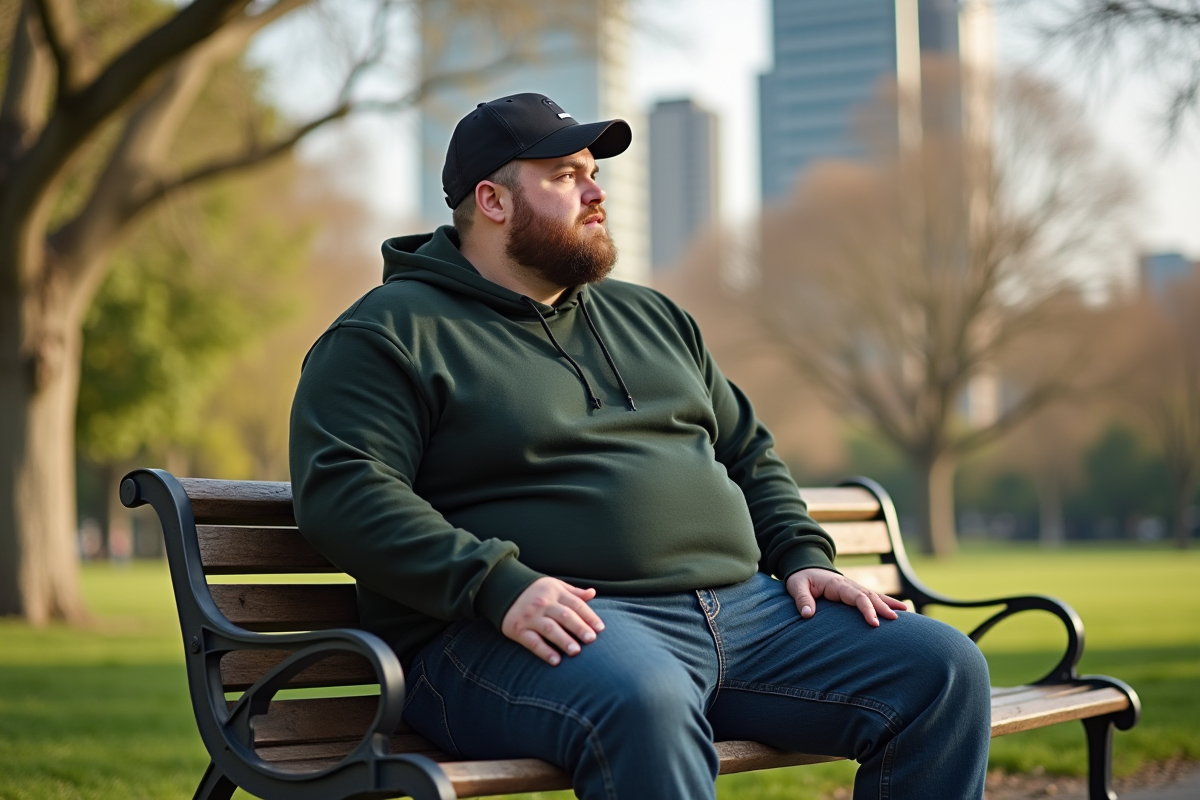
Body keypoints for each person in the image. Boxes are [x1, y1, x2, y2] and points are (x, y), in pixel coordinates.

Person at [289, 93, 990, 800]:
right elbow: (346, 490)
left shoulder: (650, 316)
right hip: (527, 631)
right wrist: (497, 585)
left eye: (594, 172)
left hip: (748, 616)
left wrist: (802, 557)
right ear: (492, 201)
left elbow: (749, 452)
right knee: (645, 701)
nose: (596, 193)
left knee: (940, 668)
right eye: (565, 175)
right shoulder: (390, 333)